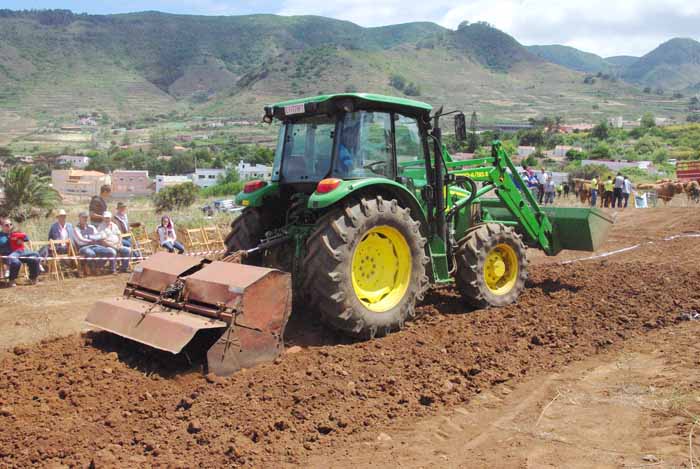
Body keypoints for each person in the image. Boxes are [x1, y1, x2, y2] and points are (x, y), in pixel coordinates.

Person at [0, 219, 40, 286]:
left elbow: (25, 237)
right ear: (2, 226)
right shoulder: (1, 236)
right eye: (6, 225)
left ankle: (33, 278)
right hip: (8, 256)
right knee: (16, 262)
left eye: (10, 224)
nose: (9, 226)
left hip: (21, 253)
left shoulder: (15, 233)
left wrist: (21, 240)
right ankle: (12, 280)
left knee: (34, 258)